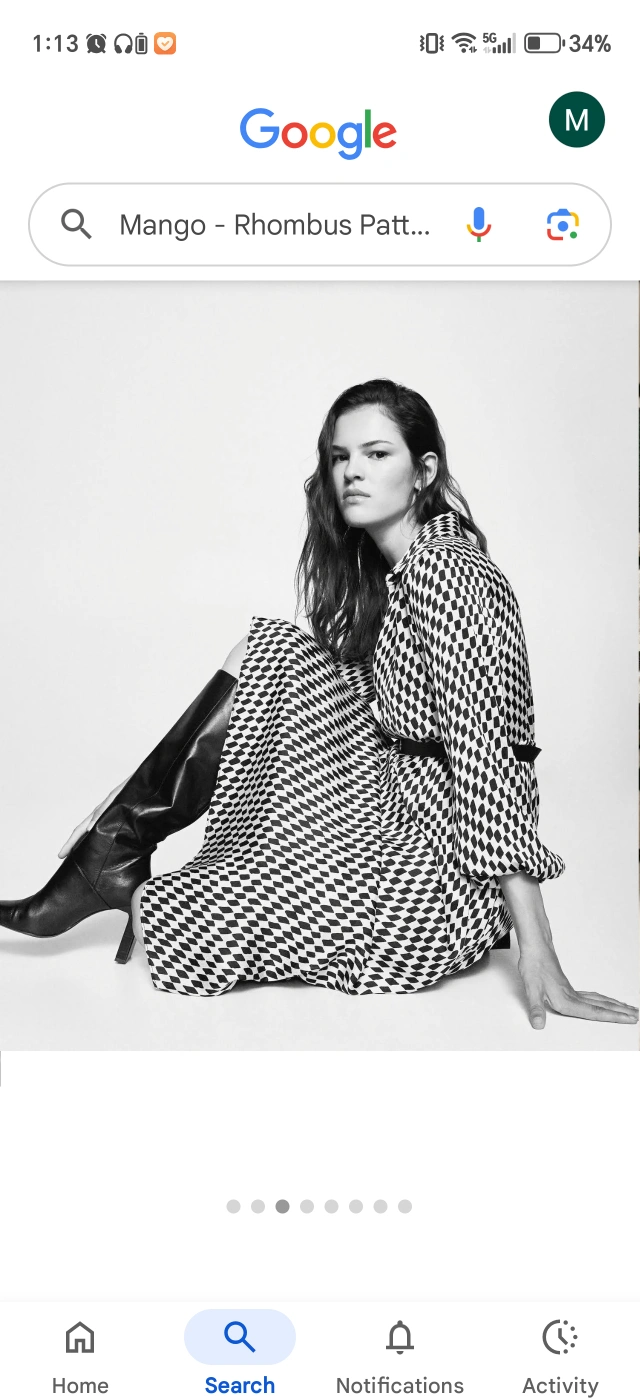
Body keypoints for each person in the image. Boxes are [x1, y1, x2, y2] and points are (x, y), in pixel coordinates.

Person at [1, 380, 636, 1030]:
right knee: (272, 650)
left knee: (177, 916)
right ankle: (117, 839)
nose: (352, 471)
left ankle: (114, 854)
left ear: (424, 472)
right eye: (340, 456)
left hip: (437, 874)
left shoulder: (447, 571)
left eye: (377, 454)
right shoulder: (408, 568)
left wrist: (538, 943)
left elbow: (486, 755)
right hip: (395, 810)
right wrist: (129, 790)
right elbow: (381, 696)